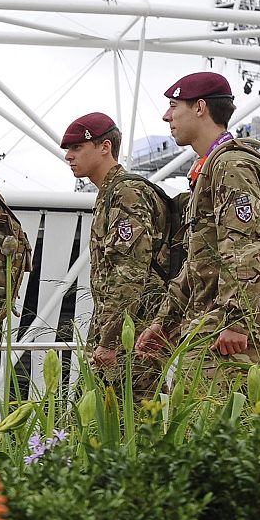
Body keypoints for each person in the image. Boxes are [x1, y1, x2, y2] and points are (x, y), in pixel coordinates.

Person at [136, 71, 260, 387]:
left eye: (174, 105)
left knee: (220, 426)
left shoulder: (232, 165)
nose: (166, 115)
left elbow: (243, 245)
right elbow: (199, 262)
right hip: (210, 318)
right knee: (197, 423)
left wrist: (238, 321)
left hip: (226, 326)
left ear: (200, 108)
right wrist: (164, 323)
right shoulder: (211, 166)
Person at [62, 111, 168, 396]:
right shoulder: (111, 194)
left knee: (127, 424)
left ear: (105, 147)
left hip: (131, 336)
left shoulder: (126, 194)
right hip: (125, 332)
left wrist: (110, 341)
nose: (68, 156)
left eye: (77, 147)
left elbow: (129, 274)